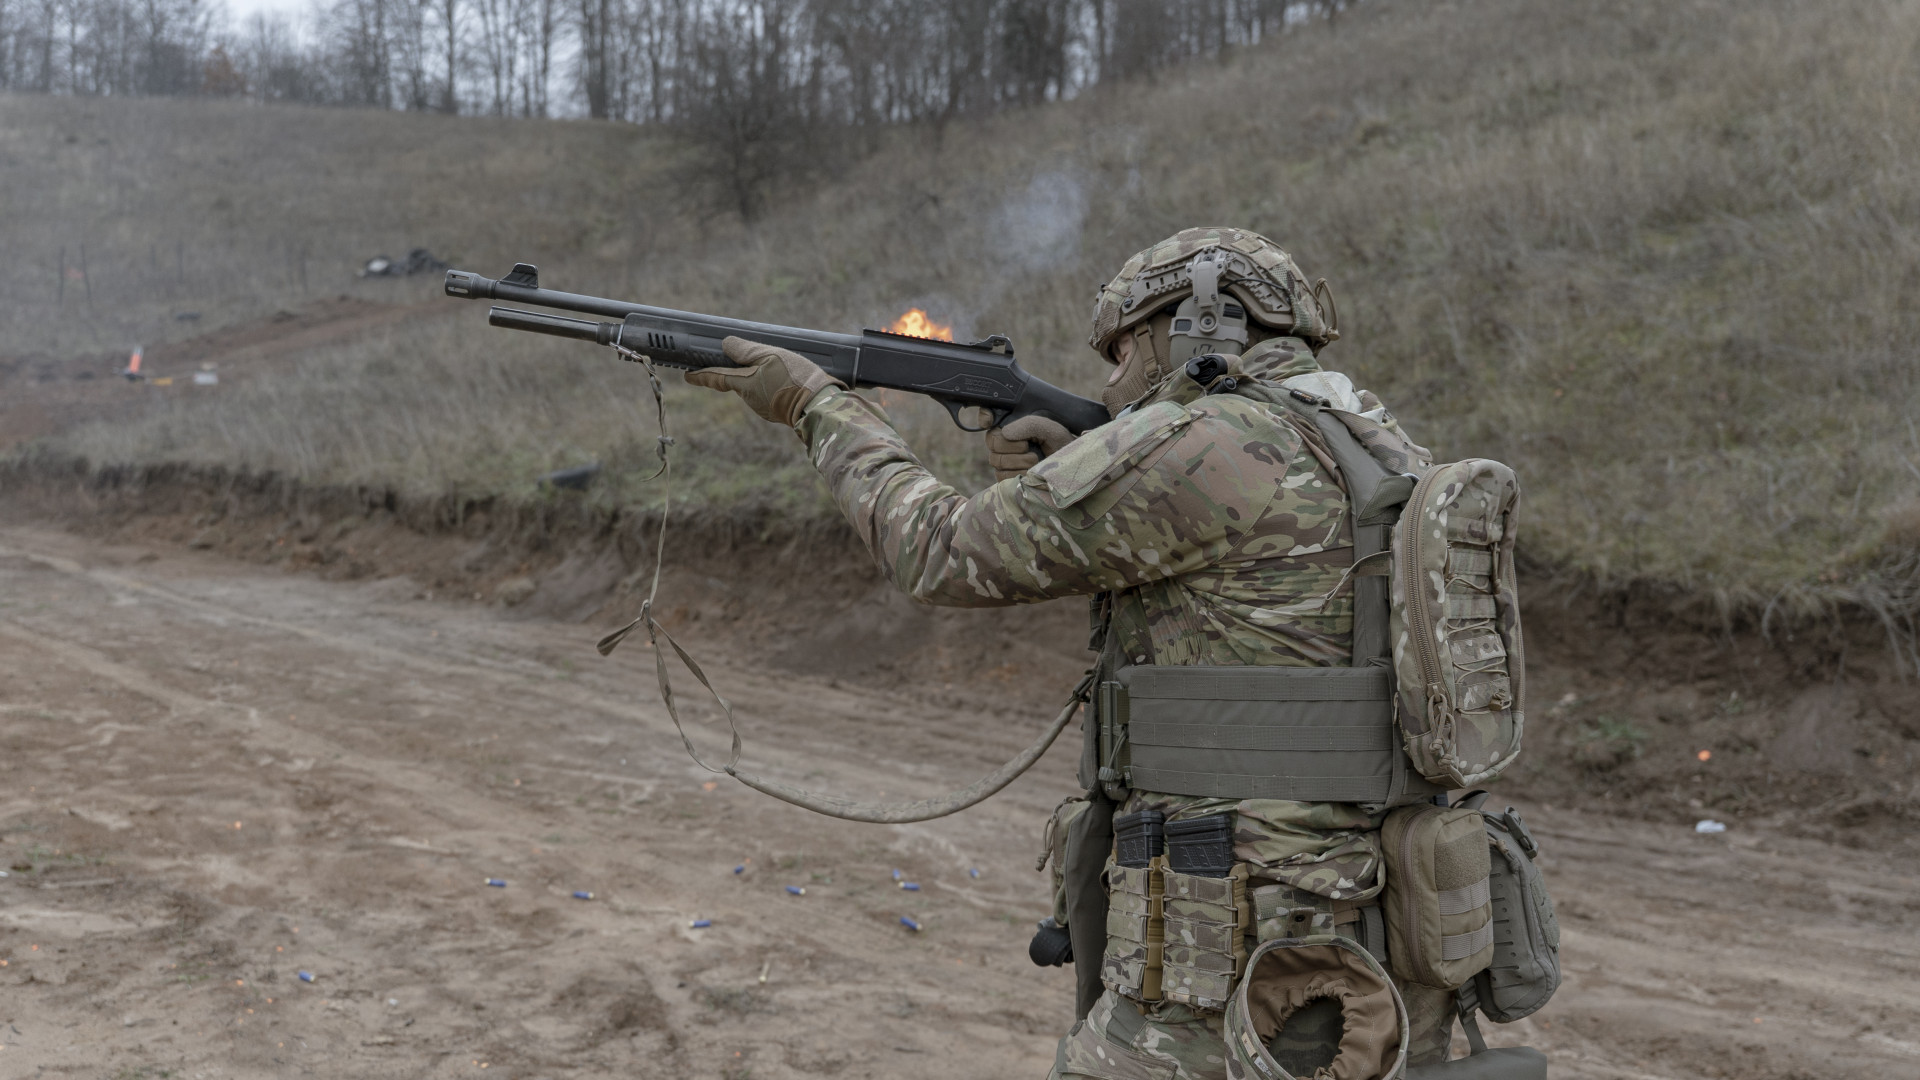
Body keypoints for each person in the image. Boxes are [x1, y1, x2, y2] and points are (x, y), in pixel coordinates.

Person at [684, 227, 1455, 1078]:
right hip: (1373, 934)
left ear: (1197, 325)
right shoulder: (1375, 444)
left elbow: (938, 550)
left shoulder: (1202, 443)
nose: (1110, 378)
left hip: (1230, 959)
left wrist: (818, 407)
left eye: (1122, 347)